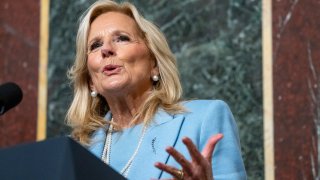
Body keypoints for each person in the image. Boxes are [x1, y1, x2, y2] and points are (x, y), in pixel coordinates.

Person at [66, 0, 247, 179]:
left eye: (122, 38)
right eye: (95, 45)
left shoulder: (206, 118)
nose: (106, 49)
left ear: (154, 64)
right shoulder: (77, 153)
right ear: (91, 81)